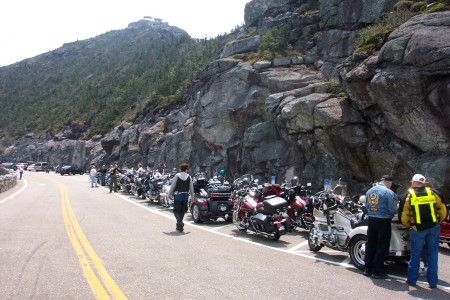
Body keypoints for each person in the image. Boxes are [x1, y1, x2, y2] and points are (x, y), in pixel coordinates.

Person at [401, 174, 447, 288]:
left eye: (412, 182)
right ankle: (433, 282)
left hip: (417, 229)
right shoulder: (433, 193)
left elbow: (404, 216)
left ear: (415, 182)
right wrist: (439, 221)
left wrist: (409, 225)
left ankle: (412, 280)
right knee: (432, 255)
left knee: (415, 255)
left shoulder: (409, 195)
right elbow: (443, 210)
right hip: (433, 228)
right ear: (424, 182)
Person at [363, 175, 397, 279]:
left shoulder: (370, 191)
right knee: (382, 245)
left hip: (371, 219)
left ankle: (367, 269)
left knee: (370, 243)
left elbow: (367, 206)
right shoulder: (389, 193)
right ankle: (377, 271)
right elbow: (392, 209)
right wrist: (393, 214)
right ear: (389, 183)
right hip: (384, 220)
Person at [168, 163, 195, 232]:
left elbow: (173, 186)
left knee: (176, 211)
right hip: (185, 196)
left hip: (178, 196)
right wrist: (192, 198)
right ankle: (179, 226)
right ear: (186, 169)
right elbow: (191, 188)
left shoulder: (177, 175)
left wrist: (169, 194)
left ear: (180, 169)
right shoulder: (189, 177)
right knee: (183, 210)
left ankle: (180, 222)